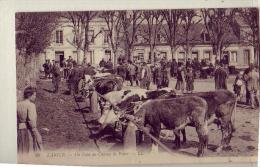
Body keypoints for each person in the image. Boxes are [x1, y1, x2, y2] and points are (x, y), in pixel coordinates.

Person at [17, 87, 43, 154]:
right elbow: (32, 121)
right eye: (34, 95)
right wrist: (37, 134)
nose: (35, 97)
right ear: (29, 95)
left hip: (19, 130)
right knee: (29, 150)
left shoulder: (18, 104)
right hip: (28, 131)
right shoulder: (31, 105)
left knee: (21, 149)